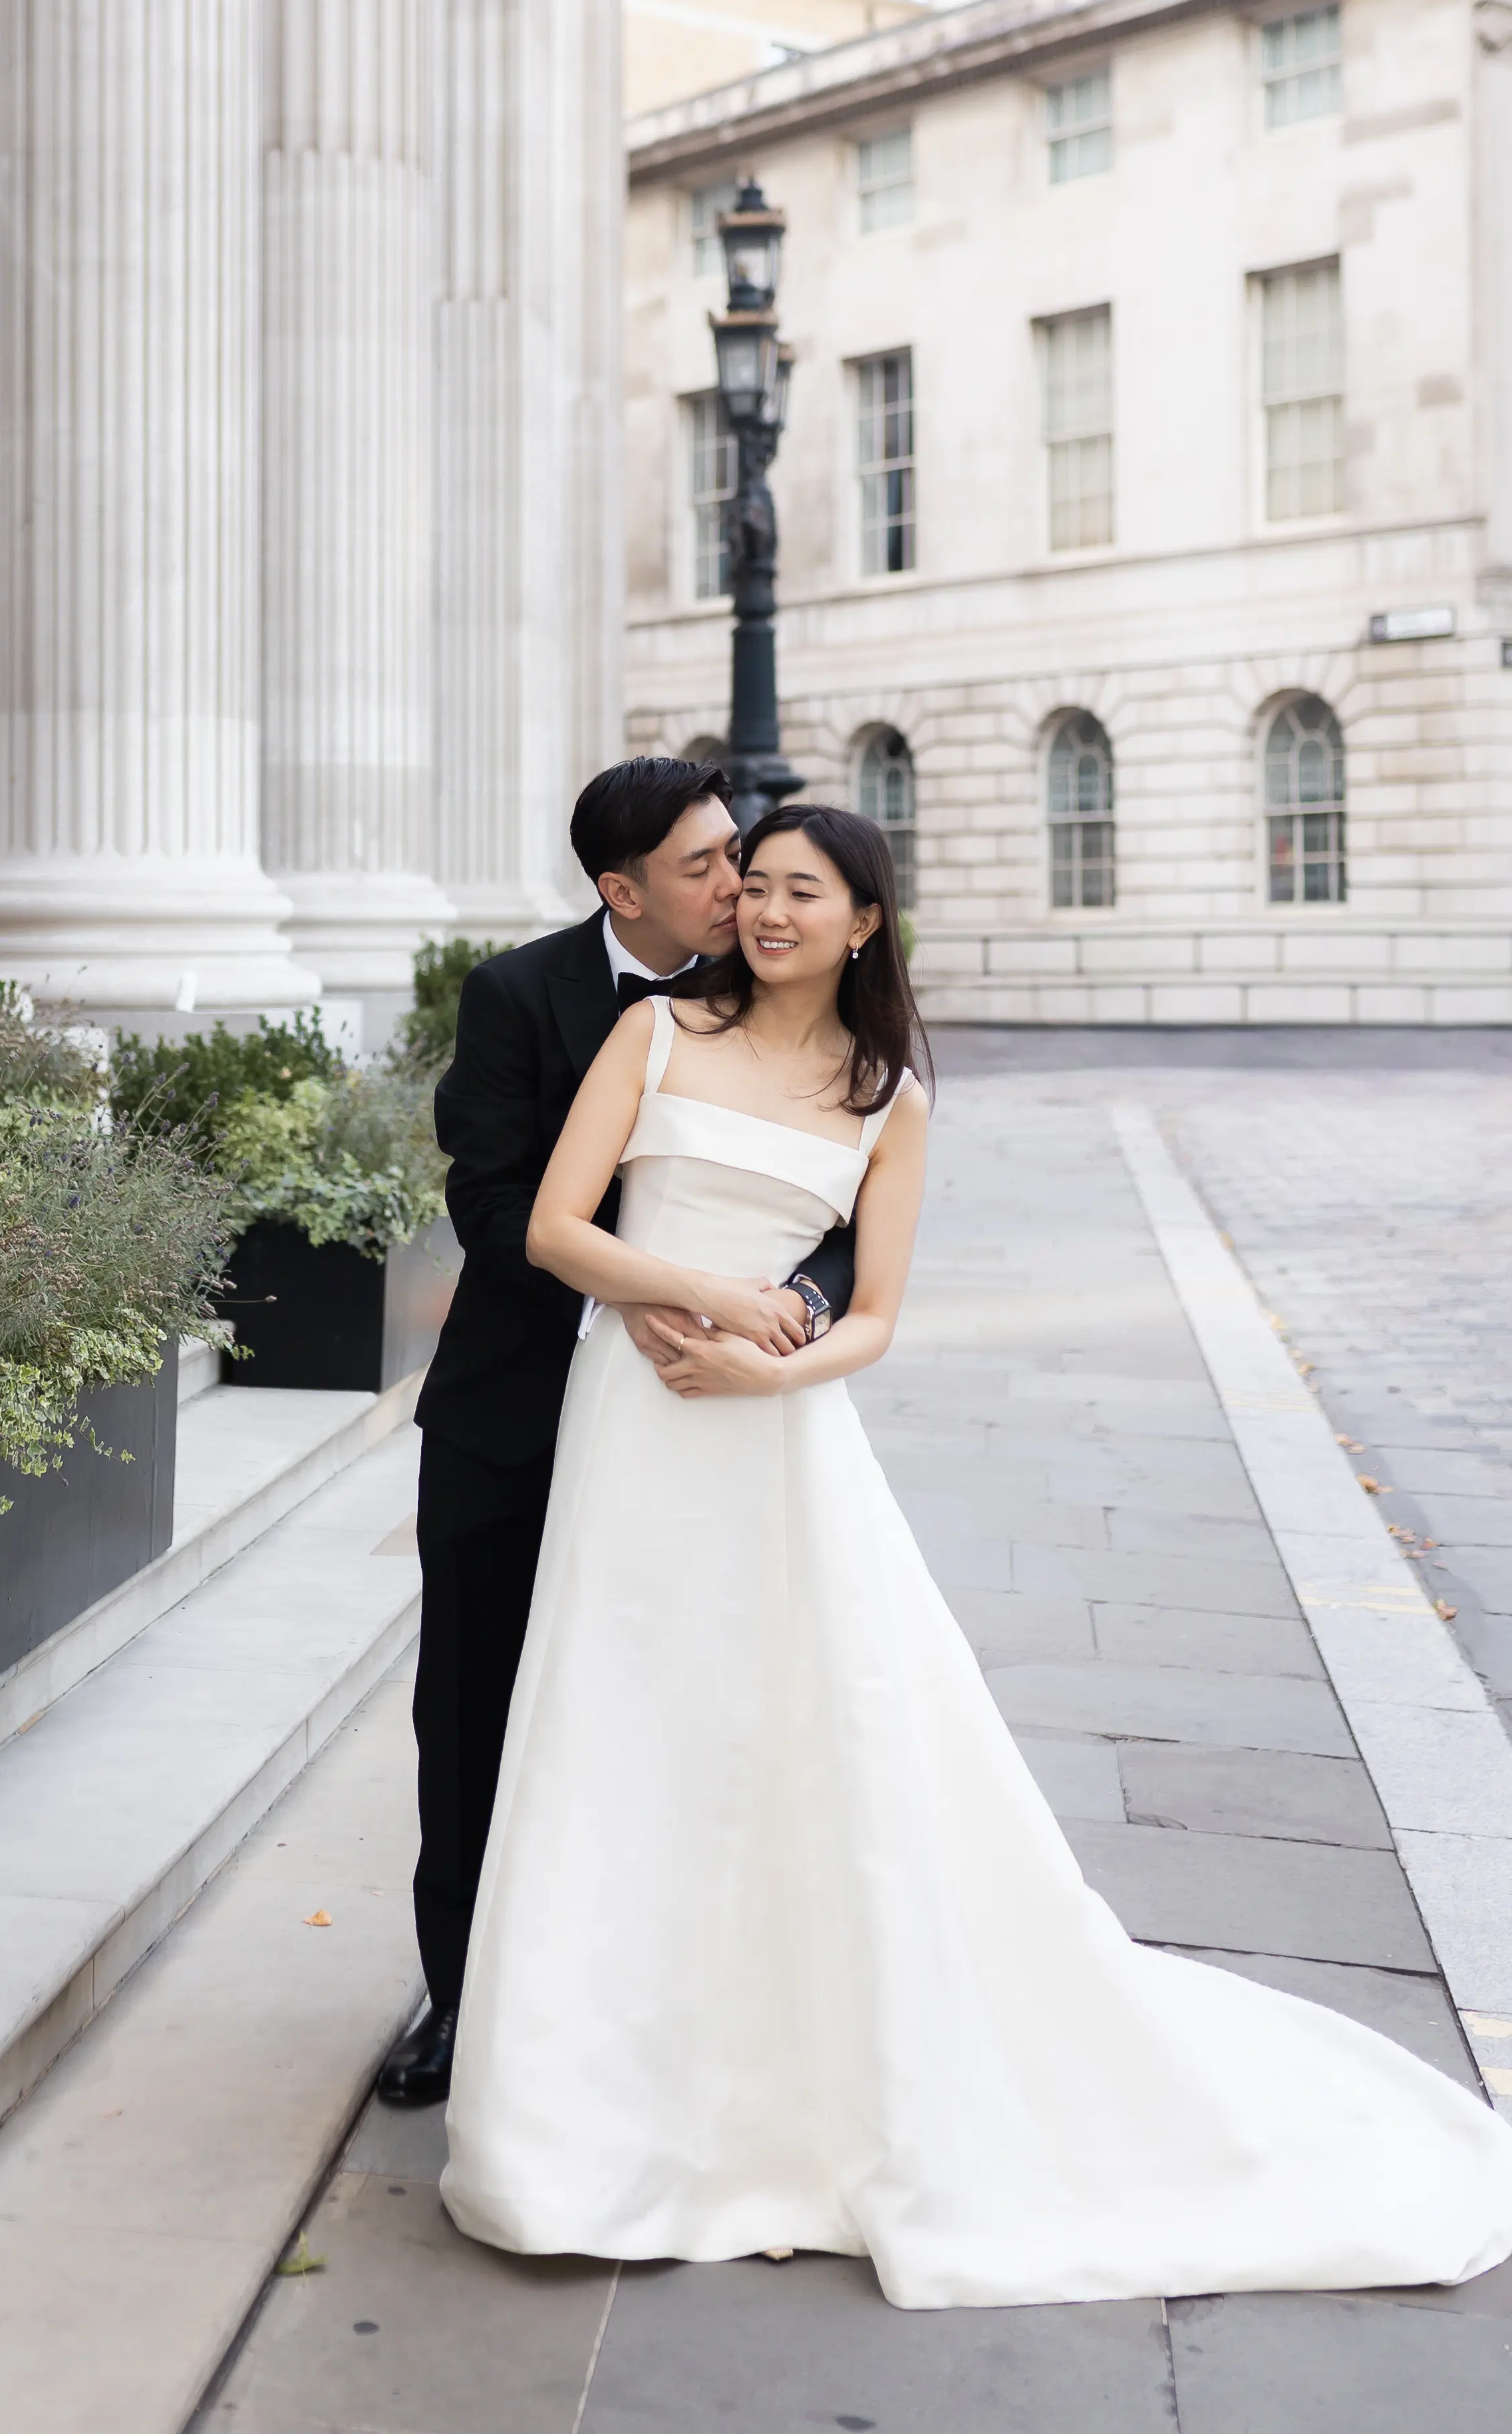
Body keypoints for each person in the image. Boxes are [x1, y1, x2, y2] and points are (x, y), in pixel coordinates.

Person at [439, 802, 1512, 2301]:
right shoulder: (657, 1032)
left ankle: (783, 2098)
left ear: (863, 921)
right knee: (617, 1728)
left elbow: (876, 1316)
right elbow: (557, 1227)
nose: (765, 910)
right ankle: (588, 2116)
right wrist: (711, 1299)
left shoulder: (889, 1100)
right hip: (633, 1418)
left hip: (776, 1438)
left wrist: (769, 1369)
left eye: (801, 891)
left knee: (794, 1741)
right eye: (754, 886)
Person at [378, 760, 858, 2107]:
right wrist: (638, 1293)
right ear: (620, 890)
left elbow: (840, 1195)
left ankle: (655, 1996)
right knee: (472, 1716)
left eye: (738, 855)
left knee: (670, 1709)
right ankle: (460, 2001)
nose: (738, 886)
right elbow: (492, 1205)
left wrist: (793, 1302)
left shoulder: (773, 985)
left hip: (699, 1420)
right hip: (515, 1418)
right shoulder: (515, 996)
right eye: (705, 866)